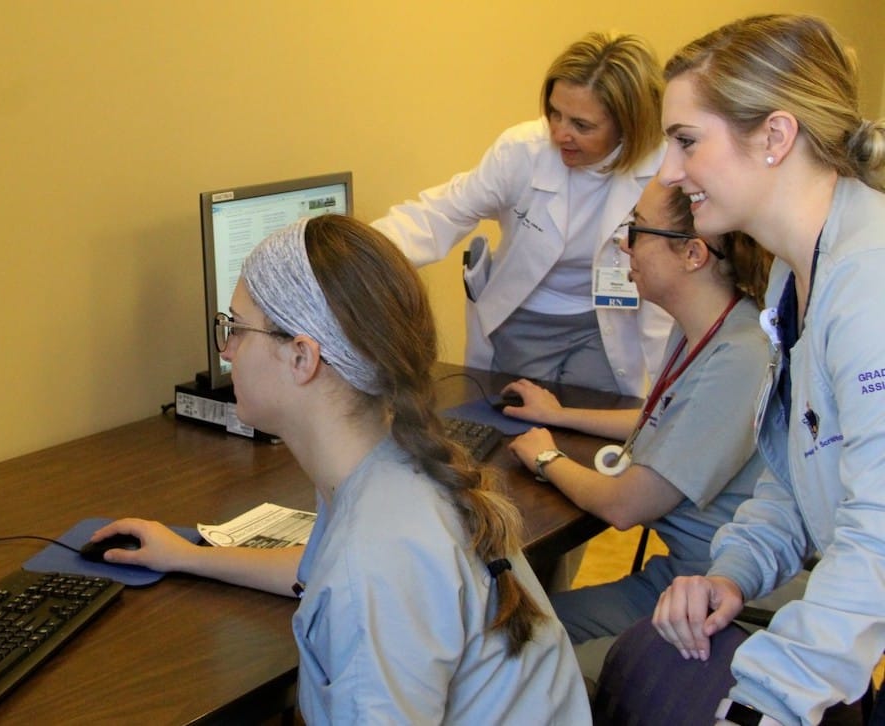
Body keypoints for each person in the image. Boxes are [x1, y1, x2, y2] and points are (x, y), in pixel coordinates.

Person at [91, 214, 589, 723]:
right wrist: (188, 557)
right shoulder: (391, 462)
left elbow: (355, 581)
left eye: (235, 328)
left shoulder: (373, 561)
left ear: (303, 358)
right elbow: (323, 570)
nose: (225, 349)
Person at [647, 15, 885, 726]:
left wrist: (763, 703)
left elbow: (880, 535)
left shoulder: (867, 286)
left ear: (775, 137)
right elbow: (800, 465)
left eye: (686, 142)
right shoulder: (792, 272)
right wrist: (733, 571)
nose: (668, 173)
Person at [501, 180, 777, 679]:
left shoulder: (741, 355)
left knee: (521, 653)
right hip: (681, 578)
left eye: (635, 230)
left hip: (720, 597)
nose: (624, 246)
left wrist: (547, 458)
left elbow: (625, 505)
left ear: (693, 254)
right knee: (520, 627)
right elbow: (667, 417)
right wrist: (558, 415)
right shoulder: (707, 327)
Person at [372, 31, 671, 398]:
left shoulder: (664, 169)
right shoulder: (523, 151)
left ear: (629, 124)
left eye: (582, 125)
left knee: (595, 426)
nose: (561, 133)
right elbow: (441, 213)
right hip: (524, 317)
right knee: (513, 426)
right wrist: (353, 256)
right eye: (555, 114)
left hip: (604, 323)